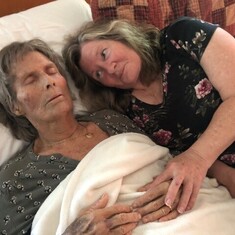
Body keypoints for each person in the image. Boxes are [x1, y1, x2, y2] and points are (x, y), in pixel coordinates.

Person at [0, 39, 179, 235]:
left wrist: (176, 184)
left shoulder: (111, 119)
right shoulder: (14, 180)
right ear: (14, 105)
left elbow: (164, 163)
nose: (49, 81)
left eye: (52, 71)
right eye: (31, 79)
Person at [62, 16, 235, 215]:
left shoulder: (182, 35)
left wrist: (198, 157)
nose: (110, 68)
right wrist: (226, 176)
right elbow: (175, 155)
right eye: (99, 74)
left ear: (120, 36)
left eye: (104, 54)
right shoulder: (126, 112)